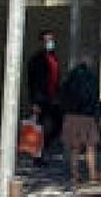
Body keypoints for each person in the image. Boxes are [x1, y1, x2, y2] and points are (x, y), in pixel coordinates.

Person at [60, 56, 101, 185]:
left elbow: (62, 94)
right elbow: (94, 98)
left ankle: (75, 176)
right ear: (89, 63)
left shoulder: (70, 77)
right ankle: (92, 175)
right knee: (90, 147)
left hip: (72, 115)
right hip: (87, 116)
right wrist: (99, 115)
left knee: (75, 148)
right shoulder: (92, 78)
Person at [26, 30, 63, 166]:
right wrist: (34, 102)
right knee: (38, 127)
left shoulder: (54, 58)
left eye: (51, 40)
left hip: (53, 98)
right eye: (47, 40)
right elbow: (32, 82)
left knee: (58, 124)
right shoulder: (36, 60)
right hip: (41, 98)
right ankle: (37, 157)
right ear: (41, 42)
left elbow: (56, 78)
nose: (50, 43)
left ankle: (43, 147)